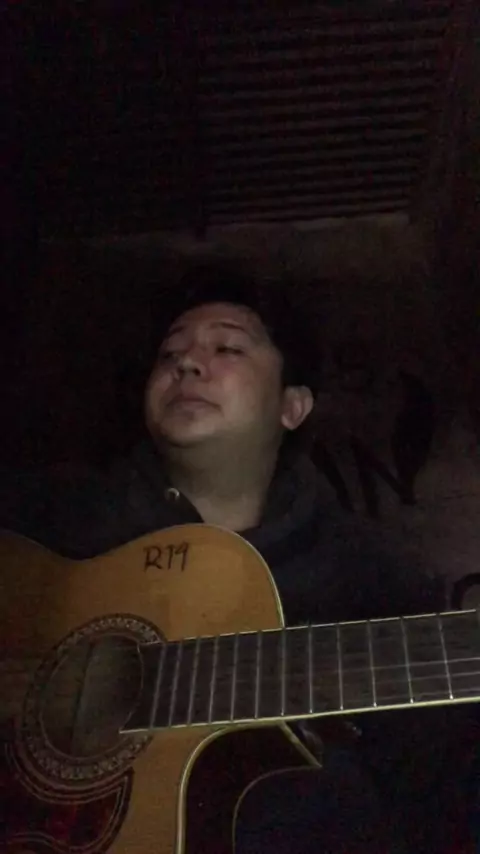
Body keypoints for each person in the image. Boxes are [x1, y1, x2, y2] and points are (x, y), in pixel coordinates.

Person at [1, 261, 476, 852]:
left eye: (227, 347)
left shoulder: (371, 575)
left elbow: (438, 793)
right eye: (169, 353)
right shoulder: (48, 514)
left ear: (292, 406)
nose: (186, 363)